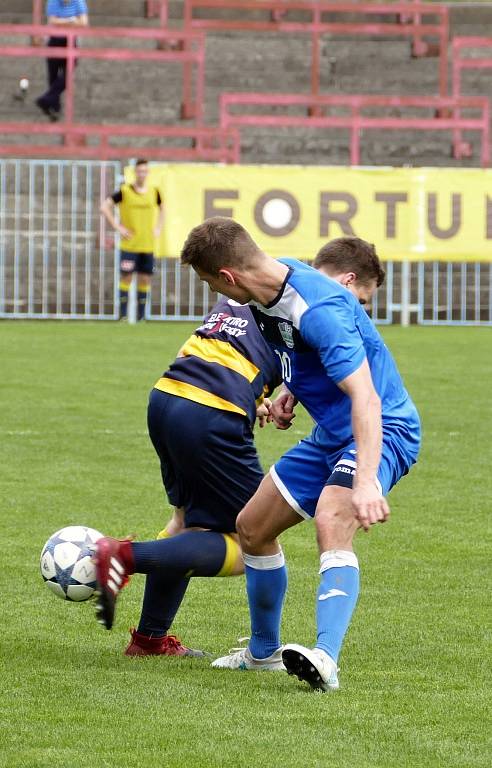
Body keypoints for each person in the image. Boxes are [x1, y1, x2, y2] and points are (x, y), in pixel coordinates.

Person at [92, 236, 386, 659]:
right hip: (215, 412)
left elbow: (233, 348)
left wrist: (268, 394)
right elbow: (338, 375)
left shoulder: (259, 280)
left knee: (184, 523)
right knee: (250, 537)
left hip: (169, 396)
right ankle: (121, 555)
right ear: (347, 280)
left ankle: (149, 640)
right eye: (362, 300)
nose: (360, 311)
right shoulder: (311, 306)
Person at [176, 217, 420, 691]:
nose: (213, 293)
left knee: (333, 516)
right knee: (252, 528)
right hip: (333, 431)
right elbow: (301, 354)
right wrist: (290, 388)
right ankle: (263, 653)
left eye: (210, 284)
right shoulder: (272, 287)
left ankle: (326, 659)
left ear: (228, 277)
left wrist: (367, 480)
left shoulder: (319, 307)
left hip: (382, 428)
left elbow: (367, 399)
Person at [100, 159, 165, 321]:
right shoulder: (125, 191)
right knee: (126, 277)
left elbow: (163, 209)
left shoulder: (154, 192)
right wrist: (118, 227)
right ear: (135, 173)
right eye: (139, 171)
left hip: (147, 244)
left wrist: (158, 228)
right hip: (129, 244)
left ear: (148, 173)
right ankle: (122, 315)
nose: (142, 174)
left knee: (145, 278)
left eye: (145, 171)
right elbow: (104, 206)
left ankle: (141, 316)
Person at [35, 0, 88, 121]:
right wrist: (72, 21)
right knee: (53, 75)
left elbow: (84, 22)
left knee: (68, 74)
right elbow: (53, 21)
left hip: (71, 41)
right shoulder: (53, 1)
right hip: (54, 40)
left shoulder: (78, 2)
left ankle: (47, 99)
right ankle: (54, 107)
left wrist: (62, 22)